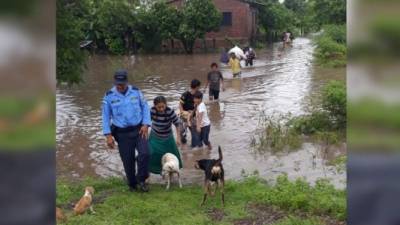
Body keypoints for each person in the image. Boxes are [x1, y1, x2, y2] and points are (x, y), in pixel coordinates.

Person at [102, 69, 151, 192]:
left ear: (127, 82)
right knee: (128, 160)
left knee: (145, 153)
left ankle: (142, 180)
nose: (120, 87)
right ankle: (132, 184)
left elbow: (145, 107)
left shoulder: (136, 92)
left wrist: (146, 124)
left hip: (139, 129)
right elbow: (105, 116)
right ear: (115, 83)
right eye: (118, 84)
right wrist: (108, 135)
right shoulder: (109, 96)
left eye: (122, 84)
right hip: (122, 133)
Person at [148, 96, 183, 175]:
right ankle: (150, 174)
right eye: (158, 107)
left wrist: (178, 137)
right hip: (155, 137)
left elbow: (177, 124)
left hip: (167, 137)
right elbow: (146, 122)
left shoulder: (169, 112)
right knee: (151, 154)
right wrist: (145, 136)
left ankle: (172, 172)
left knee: (172, 156)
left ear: (166, 105)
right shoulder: (152, 110)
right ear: (154, 105)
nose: (161, 109)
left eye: (163, 106)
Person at [179, 79, 201, 146]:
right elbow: (180, 104)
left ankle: (194, 148)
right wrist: (182, 113)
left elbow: (199, 106)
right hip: (184, 116)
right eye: (199, 86)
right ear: (197, 86)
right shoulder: (185, 94)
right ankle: (184, 147)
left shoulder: (199, 95)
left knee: (194, 133)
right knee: (182, 132)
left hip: (193, 117)